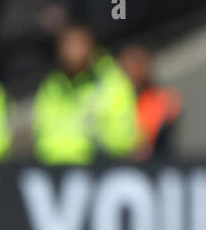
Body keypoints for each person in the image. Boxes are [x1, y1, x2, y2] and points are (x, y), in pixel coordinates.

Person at [32, 24, 141, 164]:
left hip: (102, 167)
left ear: (92, 47)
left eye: (78, 44)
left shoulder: (112, 81)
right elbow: (43, 138)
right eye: (66, 45)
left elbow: (122, 139)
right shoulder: (51, 86)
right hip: (58, 171)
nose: (71, 51)